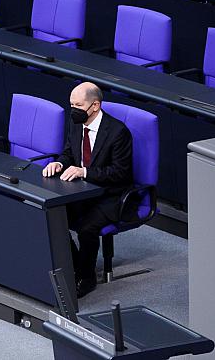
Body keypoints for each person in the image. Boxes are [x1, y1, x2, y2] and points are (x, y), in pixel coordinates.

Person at [43, 82, 133, 299]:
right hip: (83, 191)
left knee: (86, 227)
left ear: (95, 106)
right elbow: (68, 153)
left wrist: (84, 172)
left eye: (78, 105)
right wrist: (59, 163)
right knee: (54, 216)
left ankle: (87, 277)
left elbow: (120, 173)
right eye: (71, 104)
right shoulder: (76, 124)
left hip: (112, 194)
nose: (73, 110)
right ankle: (73, 267)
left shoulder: (118, 132)